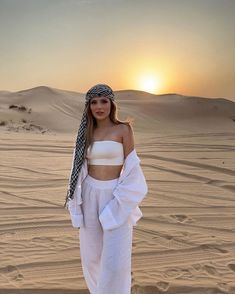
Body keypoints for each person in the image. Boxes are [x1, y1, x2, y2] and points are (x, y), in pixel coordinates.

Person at [64, 84, 148, 294]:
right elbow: (77, 168)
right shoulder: (86, 132)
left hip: (115, 196)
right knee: (91, 257)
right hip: (89, 195)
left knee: (114, 261)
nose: (99, 106)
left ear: (111, 103)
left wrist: (119, 204)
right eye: (94, 102)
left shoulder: (123, 129)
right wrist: (76, 202)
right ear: (88, 106)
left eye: (104, 101)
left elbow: (131, 169)